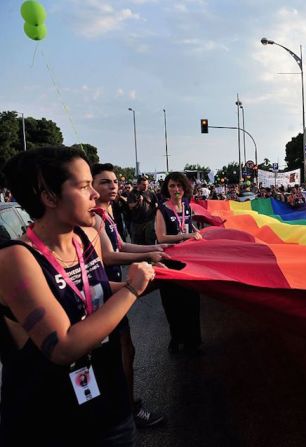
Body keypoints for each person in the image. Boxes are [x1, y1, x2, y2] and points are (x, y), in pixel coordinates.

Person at [0, 147, 155, 445]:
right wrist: (133, 289)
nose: (95, 194)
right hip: (51, 423)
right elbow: (63, 346)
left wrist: (160, 278)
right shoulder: (16, 260)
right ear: (49, 197)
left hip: (109, 407)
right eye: (84, 186)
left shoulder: (86, 237)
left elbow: (93, 290)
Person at [91, 163, 167, 427]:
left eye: (113, 182)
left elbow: (121, 244)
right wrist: (148, 254)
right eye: (104, 182)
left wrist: (154, 246)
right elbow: (109, 255)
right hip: (104, 293)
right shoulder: (95, 216)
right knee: (121, 352)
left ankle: (124, 404)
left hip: (111, 287)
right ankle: (126, 408)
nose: (112, 187)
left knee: (125, 350)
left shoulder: (107, 213)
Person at [155, 172, 203, 354]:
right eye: (172, 186)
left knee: (191, 301)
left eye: (179, 186)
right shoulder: (162, 209)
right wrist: (185, 235)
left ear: (185, 188)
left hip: (189, 261)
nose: (176, 189)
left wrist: (201, 234)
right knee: (172, 302)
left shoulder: (188, 208)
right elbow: (161, 237)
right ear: (167, 189)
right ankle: (176, 338)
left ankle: (194, 341)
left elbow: (190, 227)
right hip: (169, 262)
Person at [127, 176, 159, 245]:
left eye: (147, 184)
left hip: (149, 222)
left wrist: (156, 206)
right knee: (138, 244)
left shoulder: (151, 193)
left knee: (150, 241)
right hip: (137, 223)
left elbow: (156, 203)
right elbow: (130, 206)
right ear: (138, 184)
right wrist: (138, 202)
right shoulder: (132, 194)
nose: (146, 186)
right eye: (144, 184)